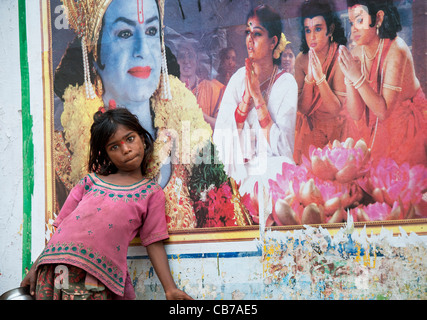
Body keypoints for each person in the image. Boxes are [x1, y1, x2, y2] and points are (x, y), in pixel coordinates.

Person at [53, 0, 253, 230]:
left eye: (151, 32)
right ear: (94, 49)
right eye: (125, 33)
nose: (143, 50)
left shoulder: (189, 135)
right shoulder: (63, 154)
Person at [21, 108, 193, 300]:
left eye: (130, 139)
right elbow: (61, 228)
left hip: (94, 276)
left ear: (143, 139)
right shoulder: (90, 182)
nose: (126, 149)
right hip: (54, 267)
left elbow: (153, 241)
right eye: (114, 147)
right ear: (107, 155)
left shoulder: (150, 193)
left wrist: (170, 289)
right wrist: (36, 265)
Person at [213, 4, 297, 196]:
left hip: (272, 170)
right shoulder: (238, 78)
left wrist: (258, 97)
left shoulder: (286, 84)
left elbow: (285, 148)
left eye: (257, 34)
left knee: (284, 168)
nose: (250, 40)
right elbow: (220, 140)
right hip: (238, 170)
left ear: (273, 41)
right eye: (247, 32)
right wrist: (244, 102)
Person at [339, 0, 427, 166]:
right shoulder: (358, 51)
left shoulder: (396, 49)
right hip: (377, 128)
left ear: (378, 18)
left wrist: (356, 77)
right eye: (352, 23)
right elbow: (356, 114)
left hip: (408, 129)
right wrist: (349, 78)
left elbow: (384, 111)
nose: (354, 28)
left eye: (359, 20)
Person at [293, 0, 348, 164]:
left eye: (318, 29)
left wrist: (320, 79)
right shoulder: (301, 60)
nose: (312, 36)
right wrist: (310, 79)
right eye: (308, 30)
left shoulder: (340, 55)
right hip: (310, 131)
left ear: (330, 29)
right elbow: (302, 108)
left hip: (337, 131)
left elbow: (335, 110)